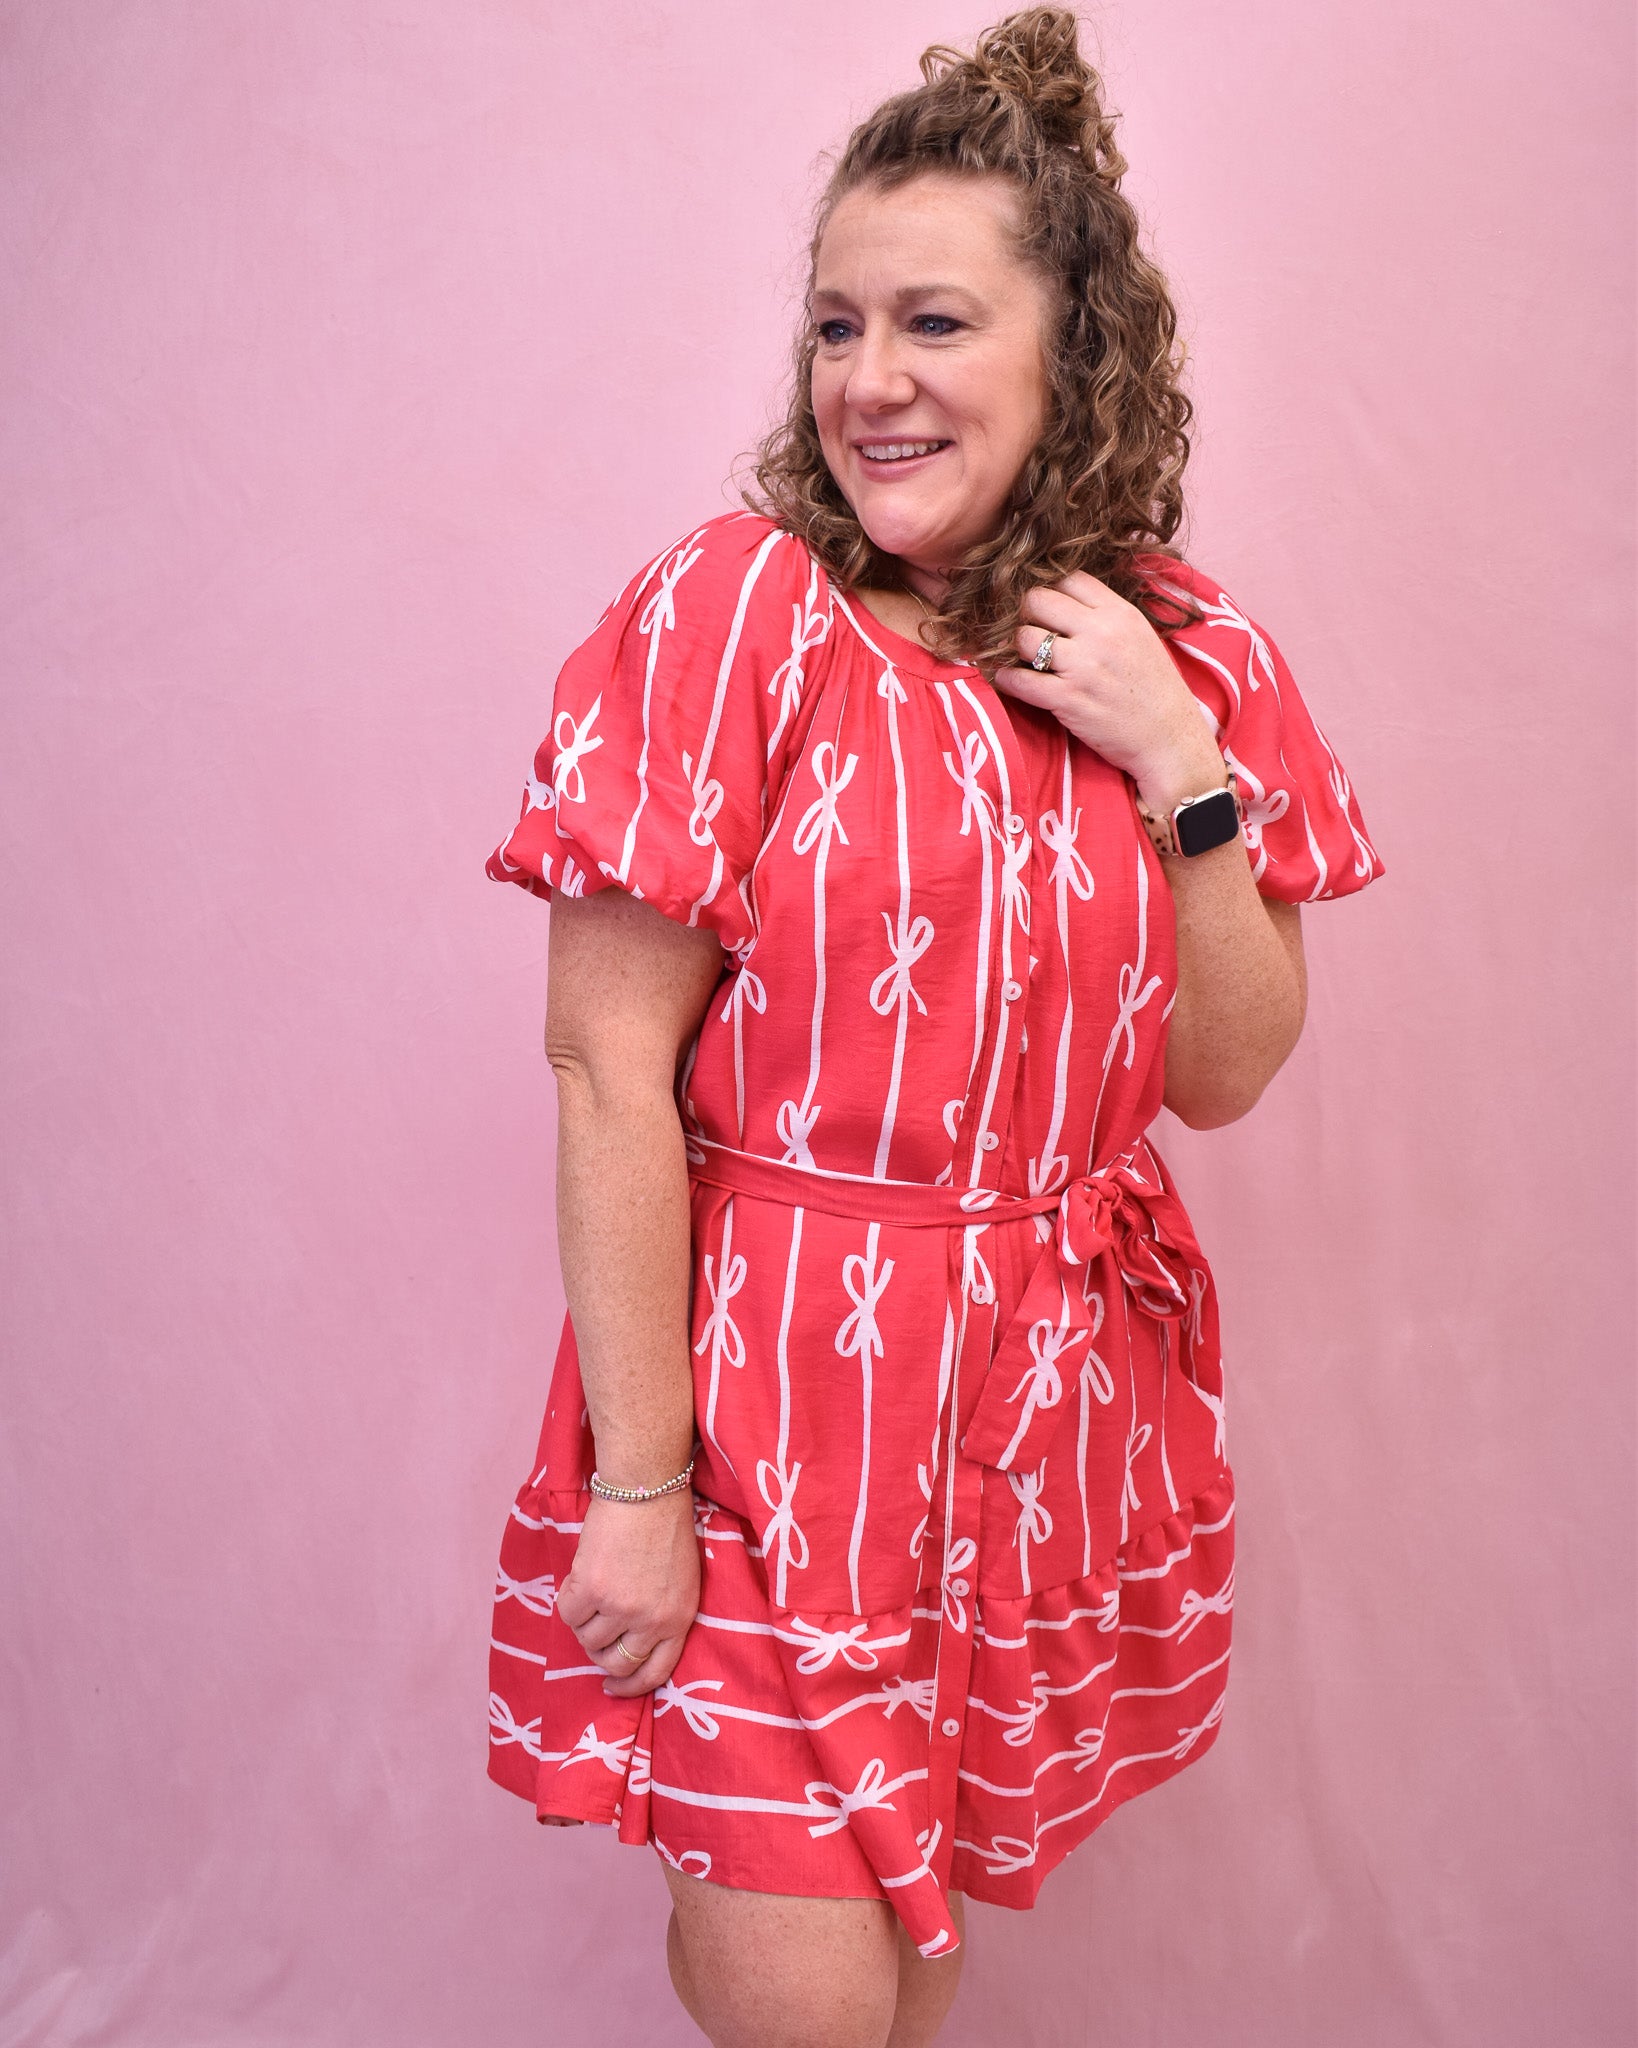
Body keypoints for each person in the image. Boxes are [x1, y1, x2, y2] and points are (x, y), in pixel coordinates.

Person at [482, 10, 1384, 2045]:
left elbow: (1223, 1074)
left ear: (1077, 352)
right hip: (768, 1418)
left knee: (911, 1971)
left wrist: (1176, 759)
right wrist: (641, 1483)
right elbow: (606, 1064)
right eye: (833, 324)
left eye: (934, 322)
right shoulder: (731, 618)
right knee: (805, 1984)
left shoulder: (1191, 647)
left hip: (1035, 1427)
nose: (869, 379)